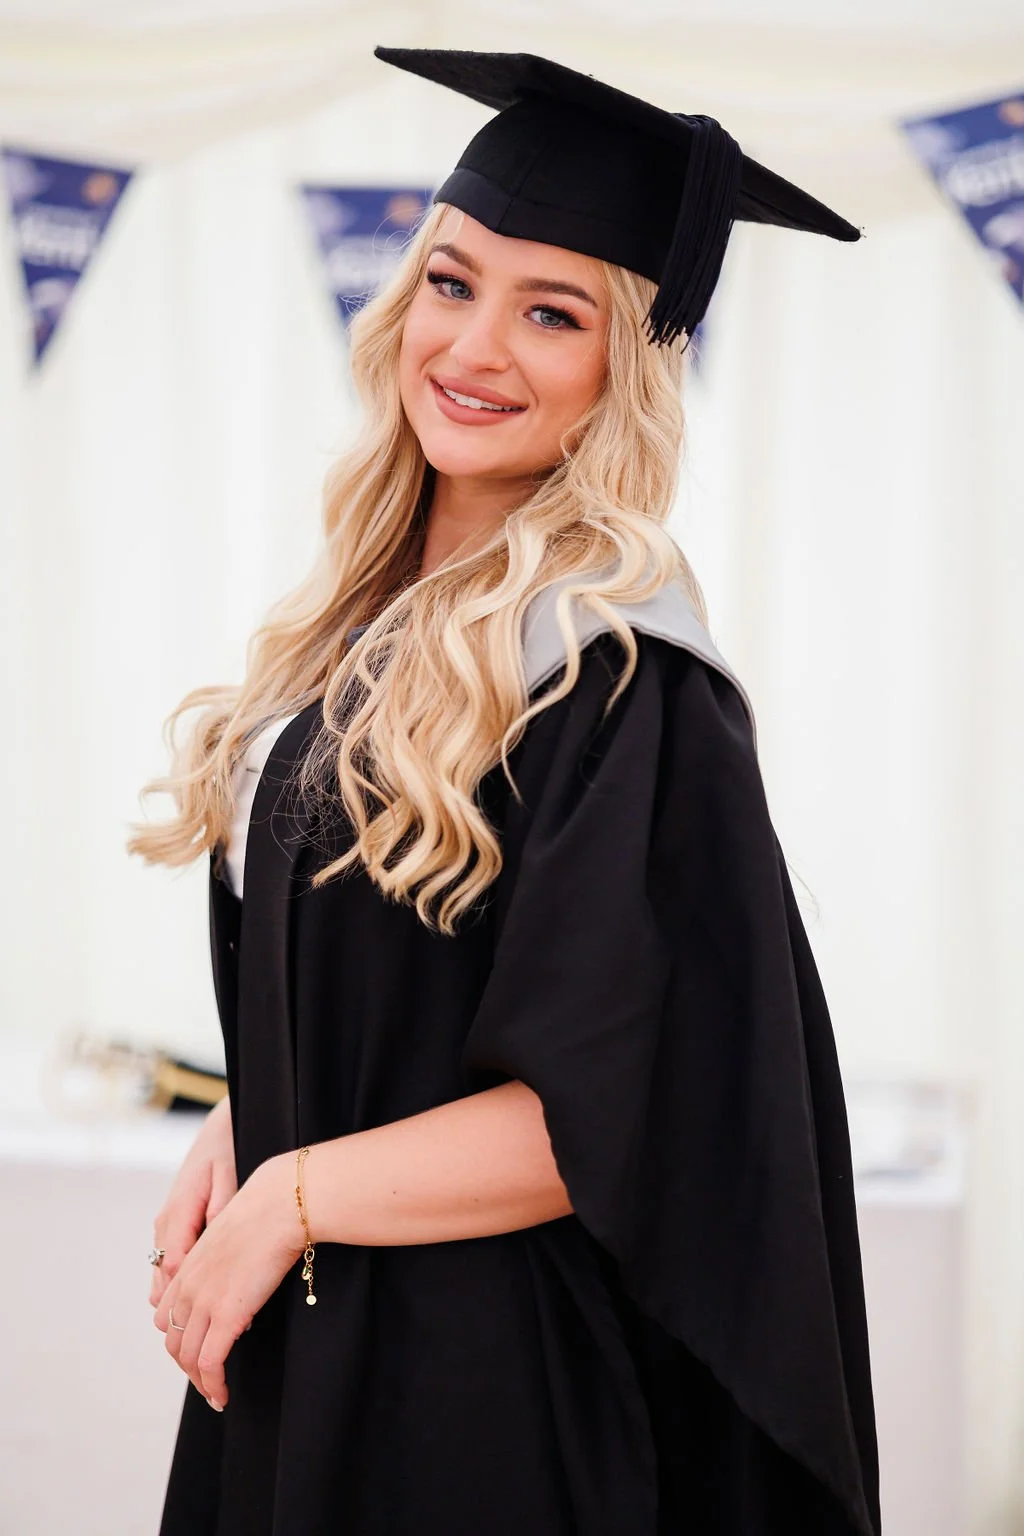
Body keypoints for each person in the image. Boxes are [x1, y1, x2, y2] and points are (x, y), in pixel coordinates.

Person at [129, 47, 881, 1536]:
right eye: (455, 282)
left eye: (555, 313)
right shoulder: (374, 625)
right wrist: (262, 1114)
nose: (475, 346)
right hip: (329, 1336)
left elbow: (618, 1113)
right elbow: (409, 997)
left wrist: (291, 1190)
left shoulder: (616, 674)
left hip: (477, 1399)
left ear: (630, 368)